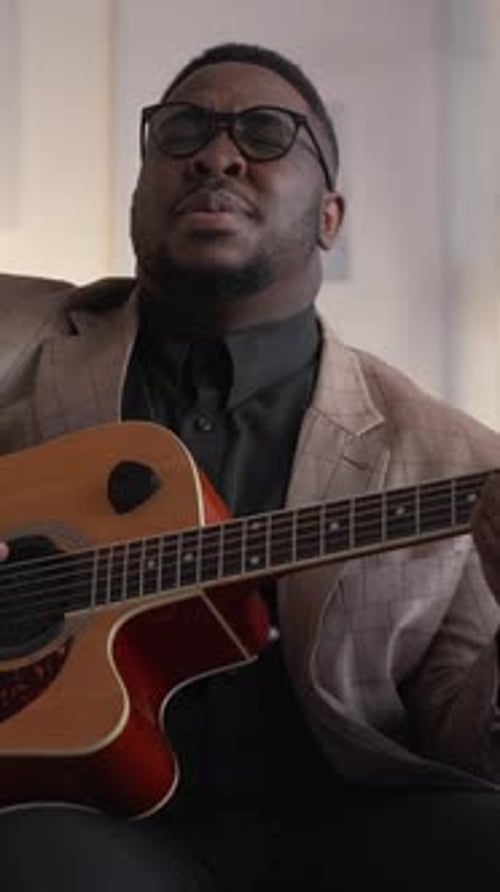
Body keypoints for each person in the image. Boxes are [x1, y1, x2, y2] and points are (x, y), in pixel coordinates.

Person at [1, 41, 500, 891]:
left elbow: (466, 738)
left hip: (343, 827)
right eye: (182, 129)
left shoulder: (453, 457)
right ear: (139, 192)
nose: (216, 153)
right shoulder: (22, 332)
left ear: (330, 218)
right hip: (70, 817)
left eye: (267, 133)